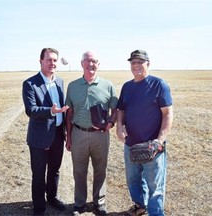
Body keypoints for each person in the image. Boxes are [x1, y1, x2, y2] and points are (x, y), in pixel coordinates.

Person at [116, 50, 173, 216]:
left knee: (155, 186)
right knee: (133, 180)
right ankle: (140, 206)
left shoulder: (159, 85)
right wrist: (119, 126)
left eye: (140, 62)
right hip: (131, 145)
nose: (136, 65)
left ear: (148, 64)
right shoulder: (127, 87)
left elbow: (167, 114)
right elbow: (121, 109)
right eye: (133, 62)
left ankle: (155, 213)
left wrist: (159, 141)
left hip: (152, 146)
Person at [65, 51, 118, 215]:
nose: (90, 64)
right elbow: (69, 113)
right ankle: (79, 204)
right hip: (79, 133)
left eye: (94, 61)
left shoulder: (108, 85)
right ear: (82, 64)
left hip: (101, 135)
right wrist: (68, 137)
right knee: (79, 170)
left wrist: (111, 122)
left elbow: (115, 109)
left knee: (100, 169)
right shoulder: (73, 86)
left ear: (98, 64)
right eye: (87, 61)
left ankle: (99, 202)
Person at [22, 47, 69, 216]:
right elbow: (31, 110)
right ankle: (39, 207)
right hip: (39, 137)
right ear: (41, 61)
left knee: (55, 170)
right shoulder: (30, 83)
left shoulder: (60, 82)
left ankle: (52, 197)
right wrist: (51, 111)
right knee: (39, 173)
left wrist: (65, 130)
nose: (52, 63)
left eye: (55, 60)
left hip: (57, 134)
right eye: (48, 59)